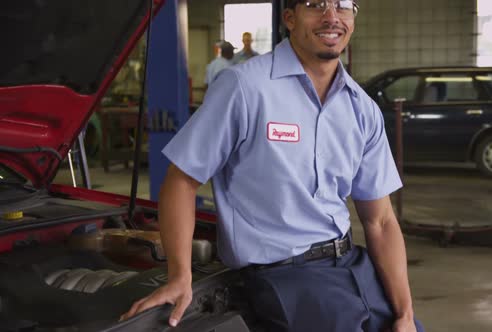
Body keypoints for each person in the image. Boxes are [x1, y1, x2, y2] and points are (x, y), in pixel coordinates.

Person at [121, 1, 424, 331]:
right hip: (285, 276)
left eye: (343, 6)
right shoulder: (245, 87)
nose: (332, 17)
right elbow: (181, 182)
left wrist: (405, 314)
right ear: (290, 18)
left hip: (352, 264)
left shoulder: (362, 110)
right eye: (316, 4)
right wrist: (180, 276)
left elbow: (380, 221)